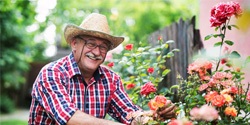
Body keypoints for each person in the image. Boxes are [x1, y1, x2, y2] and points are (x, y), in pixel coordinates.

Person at [28, 13, 176, 125]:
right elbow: (68, 117)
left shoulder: (110, 79)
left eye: (103, 47)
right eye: (91, 44)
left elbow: (129, 113)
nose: (97, 52)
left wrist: (155, 114)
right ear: (74, 44)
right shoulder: (52, 73)